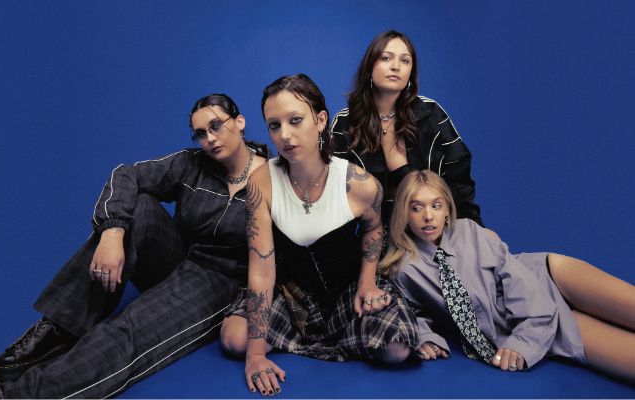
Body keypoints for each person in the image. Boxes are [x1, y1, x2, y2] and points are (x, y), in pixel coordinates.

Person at [0, 94, 269, 398]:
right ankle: (58, 332)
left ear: (240, 122)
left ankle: (12, 396)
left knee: (129, 328)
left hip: (220, 282)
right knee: (140, 207)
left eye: (216, 126)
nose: (210, 139)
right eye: (200, 133)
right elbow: (127, 174)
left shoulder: (272, 180)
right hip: (178, 257)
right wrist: (112, 231)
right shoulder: (191, 164)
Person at [219, 74, 419, 397]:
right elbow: (262, 270)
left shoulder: (360, 184)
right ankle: (327, 341)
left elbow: (374, 229)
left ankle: (337, 335)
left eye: (296, 120)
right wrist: (255, 356)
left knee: (396, 349)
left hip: (347, 295)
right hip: (291, 297)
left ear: (321, 120)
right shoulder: (261, 183)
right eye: (274, 126)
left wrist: (368, 282)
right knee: (235, 339)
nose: (285, 135)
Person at [380, 169, 635, 383]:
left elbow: (514, 277)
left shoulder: (469, 231)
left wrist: (523, 341)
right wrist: (426, 338)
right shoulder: (403, 269)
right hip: (526, 322)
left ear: (447, 209)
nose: (428, 216)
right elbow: (414, 313)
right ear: (404, 213)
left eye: (436, 205)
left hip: (547, 281)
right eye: (417, 208)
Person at [332, 30, 484, 230]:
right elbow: (337, 194)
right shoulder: (345, 123)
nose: (396, 66)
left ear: (411, 73)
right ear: (369, 67)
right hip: (376, 236)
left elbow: (460, 178)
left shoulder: (430, 114)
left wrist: (474, 228)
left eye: (405, 61)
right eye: (386, 58)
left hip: (433, 231)